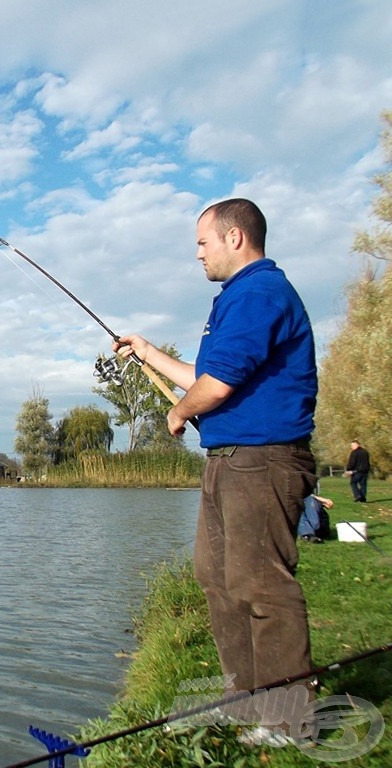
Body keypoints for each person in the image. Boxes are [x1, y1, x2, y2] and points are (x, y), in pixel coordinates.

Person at [115, 198, 317, 742]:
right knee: (217, 577)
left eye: (202, 242)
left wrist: (180, 412)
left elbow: (216, 386)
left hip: (263, 460)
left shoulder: (259, 292)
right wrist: (147, 352)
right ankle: (247, 705)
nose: (197, 254)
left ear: (235, 238)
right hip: (230, 461)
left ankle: (289, 720)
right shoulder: (236, 299)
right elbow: (204, 374)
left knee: (261, 584)